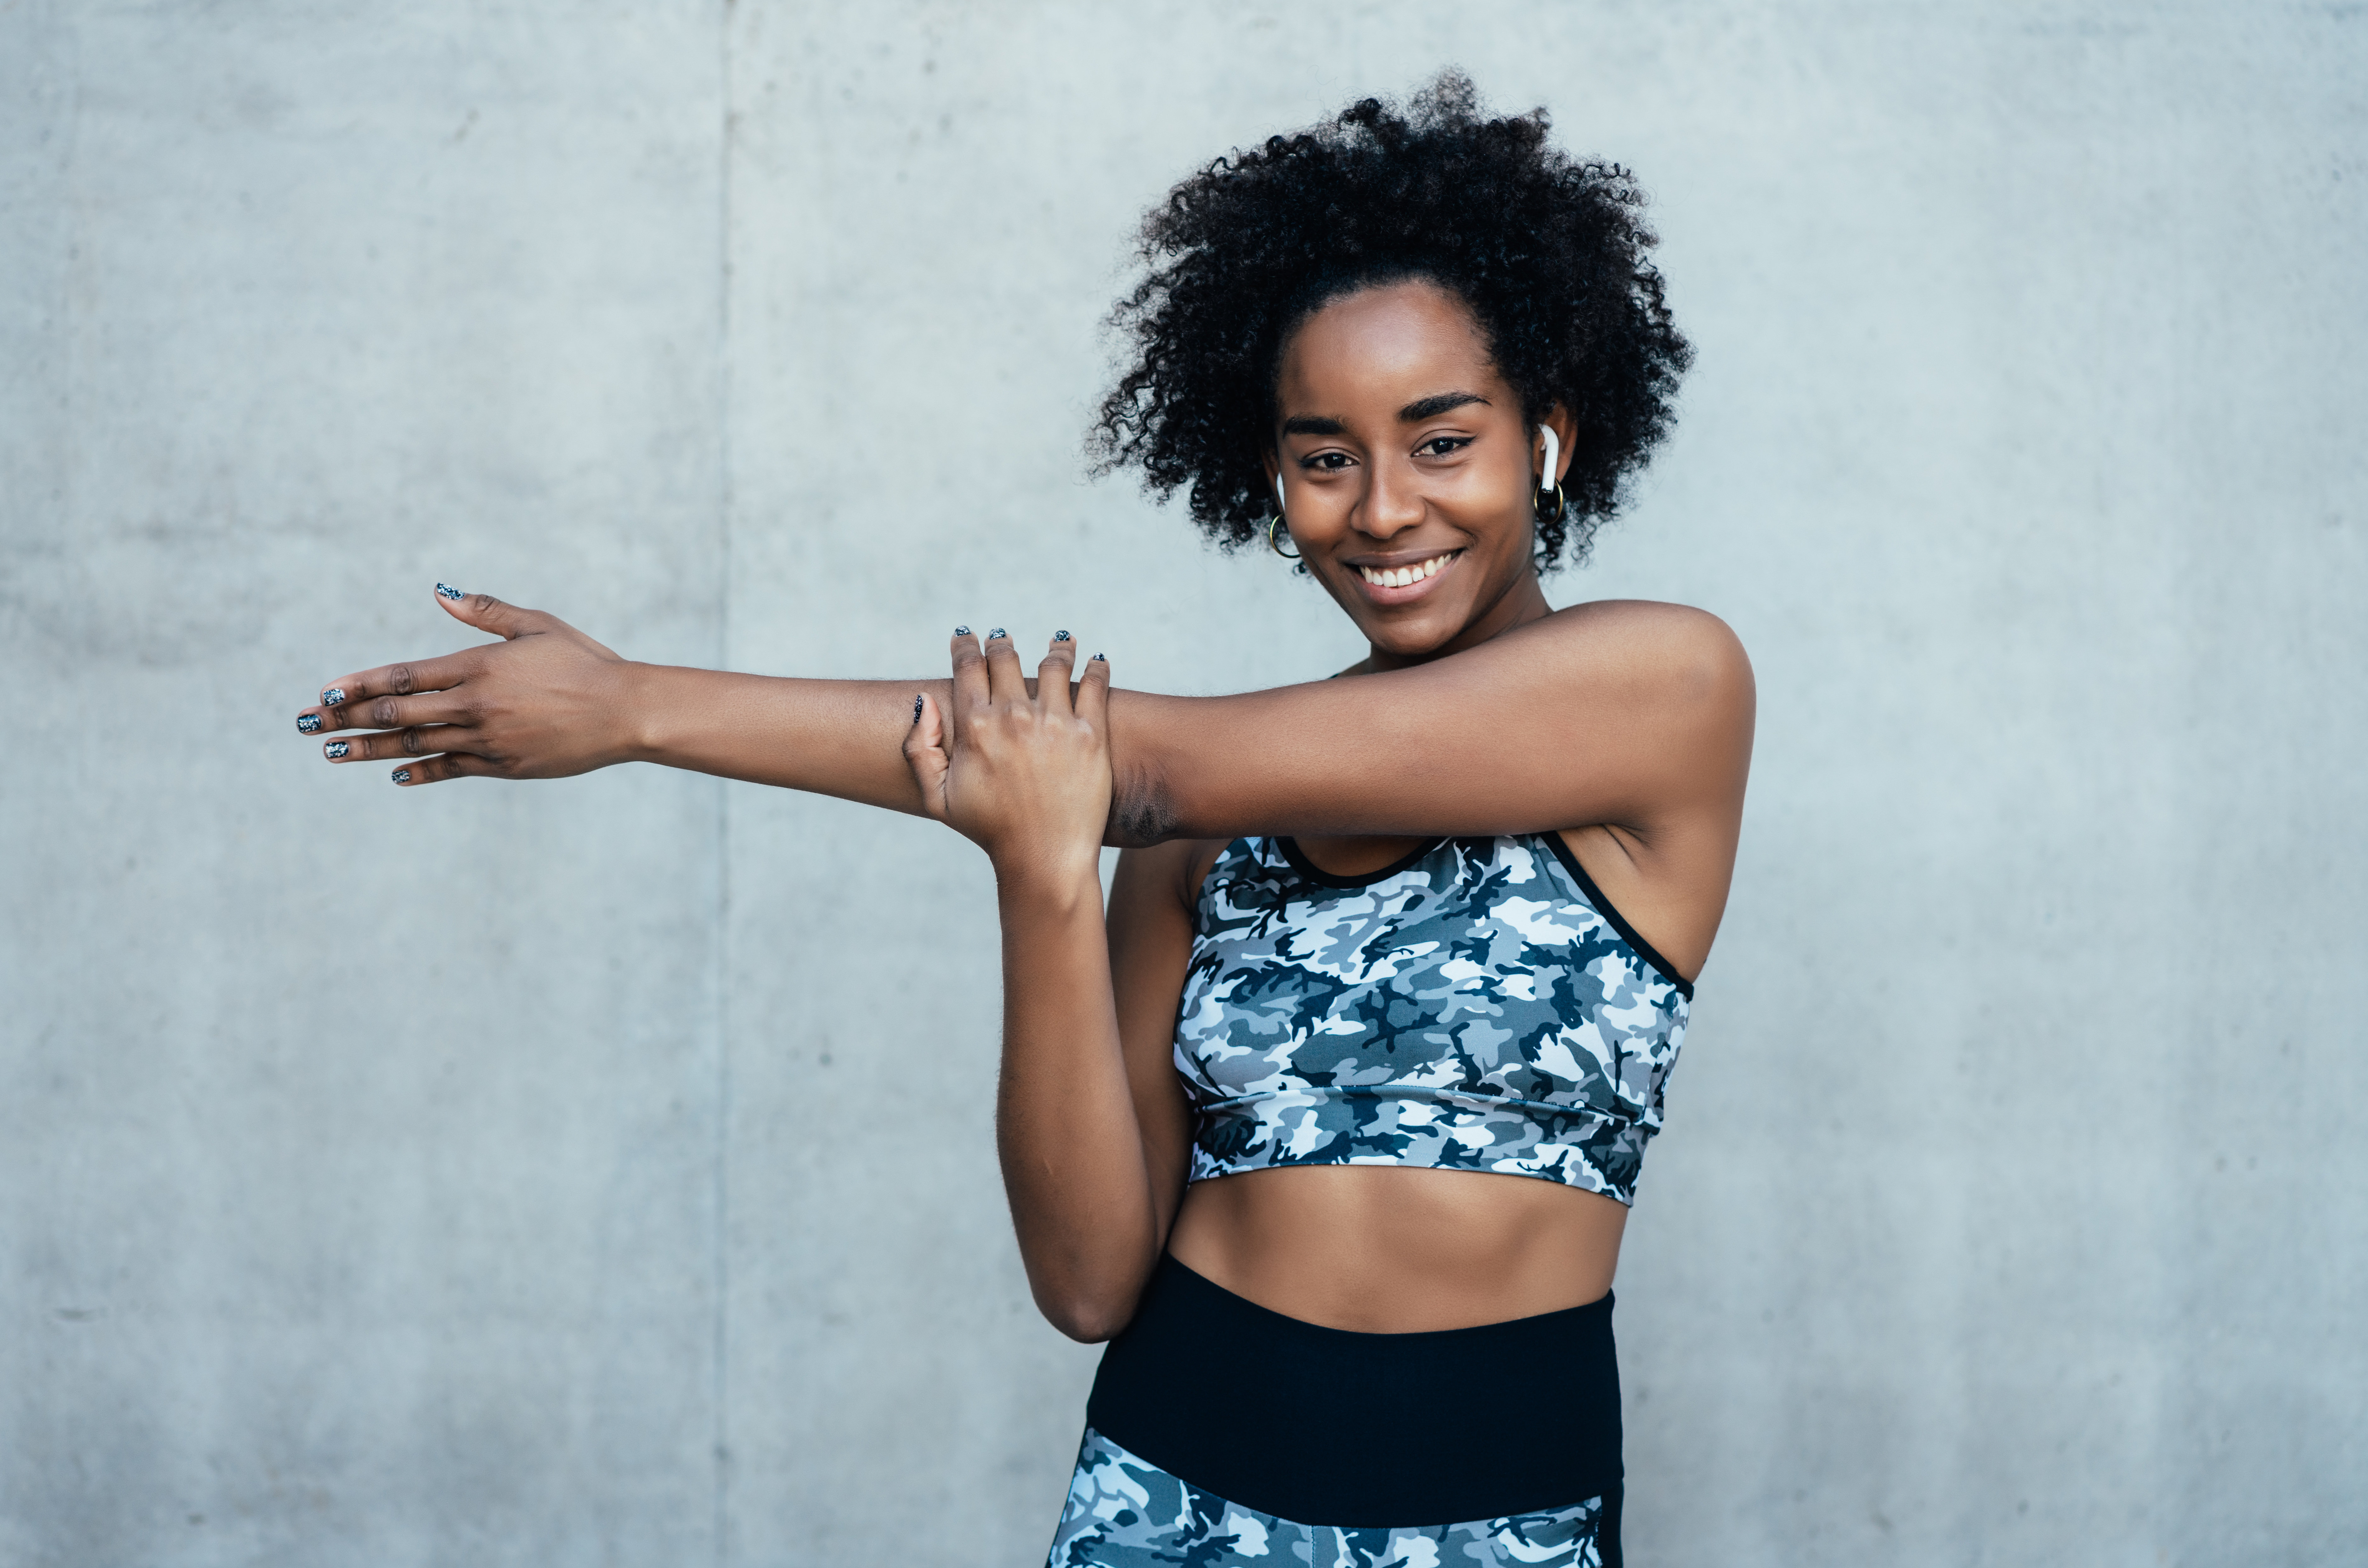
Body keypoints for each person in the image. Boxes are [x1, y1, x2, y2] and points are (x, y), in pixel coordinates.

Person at [298, 75, 1752, 1568]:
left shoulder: (1659, 687)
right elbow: (1085, 1285)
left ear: (1549, 437)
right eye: (1325, 458)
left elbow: (1144, 769)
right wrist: (1042, 871)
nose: (1381, 510)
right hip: (1165, 1493)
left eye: (1442, 442)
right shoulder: (1199, 838)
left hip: (1498, 1511)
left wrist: (641, 710)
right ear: (1270, 476)